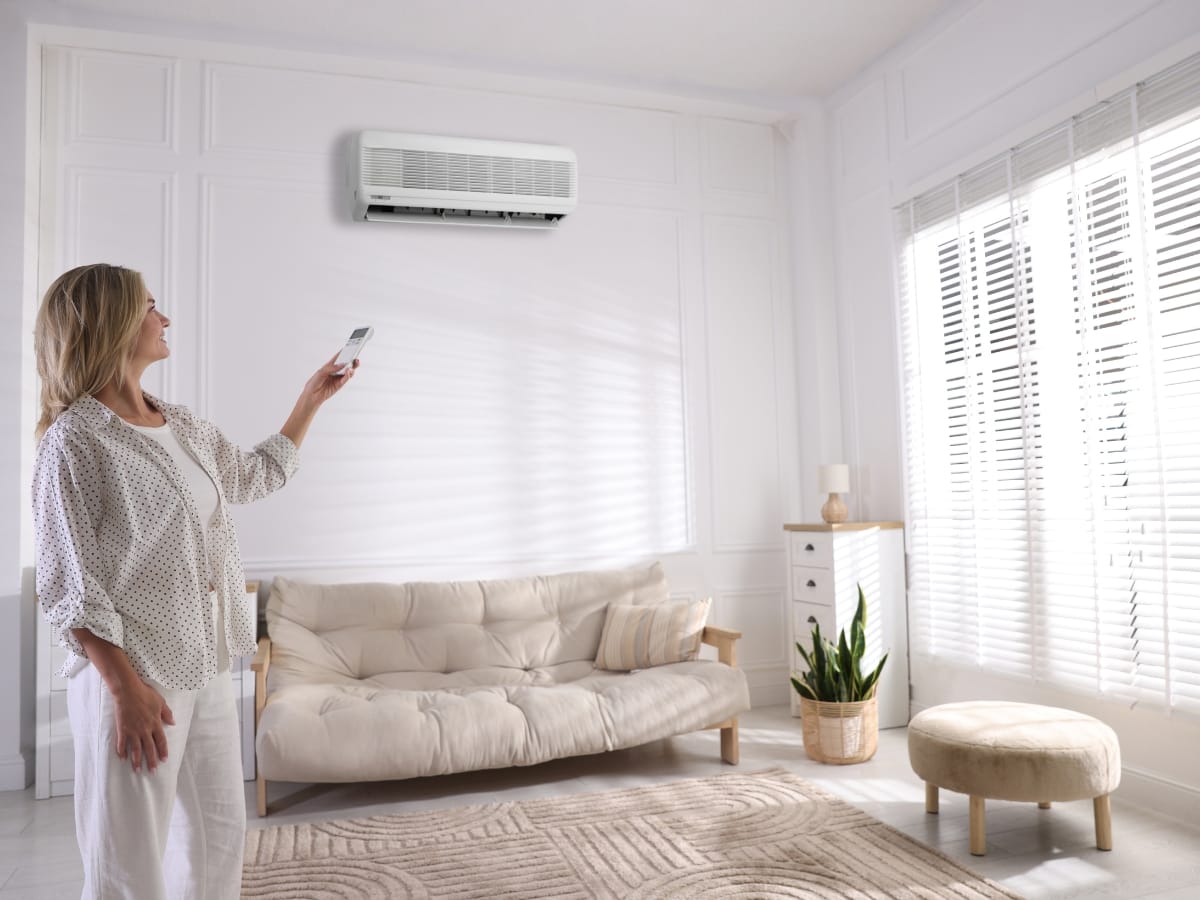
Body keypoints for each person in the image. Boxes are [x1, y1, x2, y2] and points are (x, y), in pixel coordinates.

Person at [32, 263, 358, 899]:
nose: (165, 317)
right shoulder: (74, 443)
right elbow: (69, 582)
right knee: (128, 858)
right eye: (151, 305)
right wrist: (124, 689)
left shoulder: (178, 423)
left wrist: (310, 400)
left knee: (217, 834)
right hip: (134, 676)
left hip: (206, 662)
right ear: (114, 321)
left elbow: (251, 476)